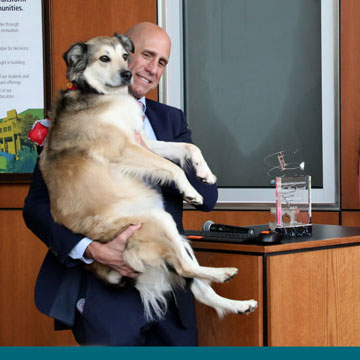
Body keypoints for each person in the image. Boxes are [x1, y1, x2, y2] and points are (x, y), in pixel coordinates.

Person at [23, 22, 218, 346]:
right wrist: (93, 250)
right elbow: (36, 208)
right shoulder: (74, 115)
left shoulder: (171, 120)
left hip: (169, 292)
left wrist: (143, 154)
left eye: (162, 62)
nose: (152, 69)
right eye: (146, 55)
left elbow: (207, 196)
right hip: (106, 292)